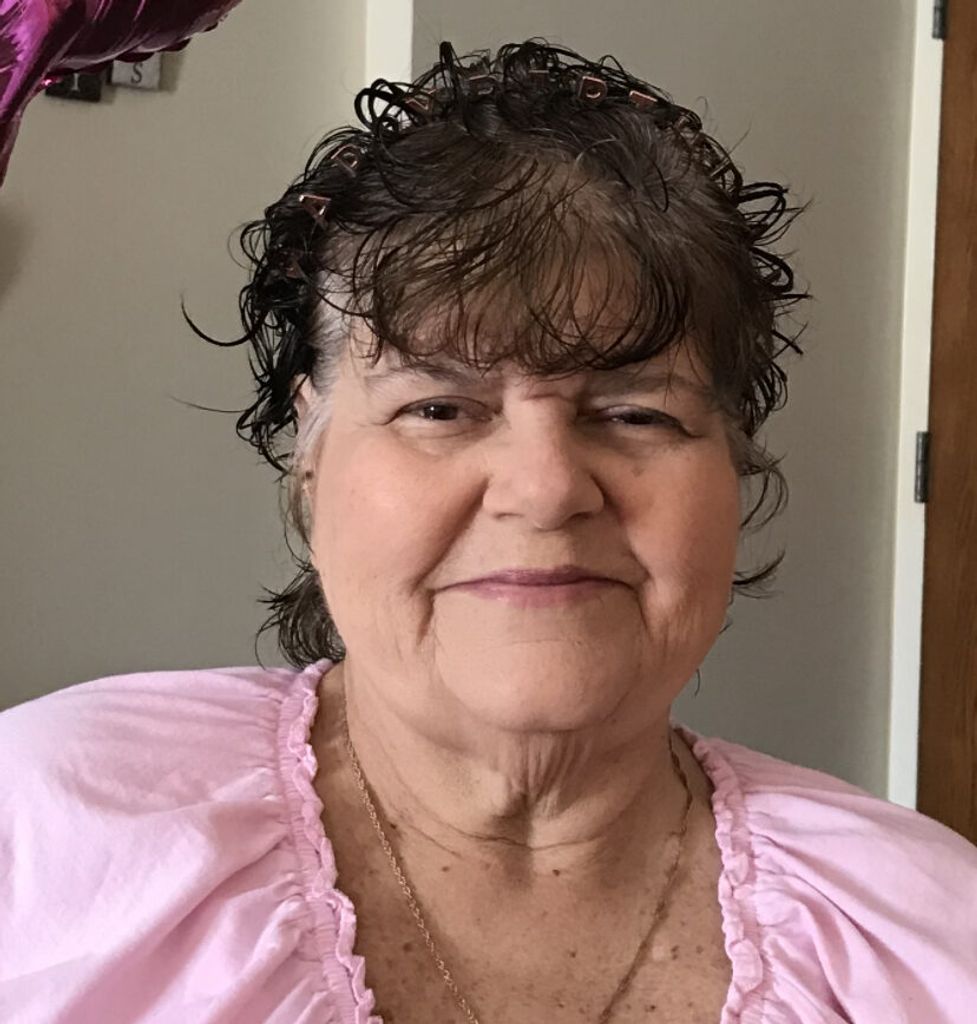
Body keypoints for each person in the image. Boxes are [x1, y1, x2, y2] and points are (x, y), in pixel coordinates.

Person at [1, 39, 975, 1024]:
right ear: (311, 453)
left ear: (734, 464)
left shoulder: (928, 933)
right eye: (438, 408)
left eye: (636, 413)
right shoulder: (45, 834)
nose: (545, 491)